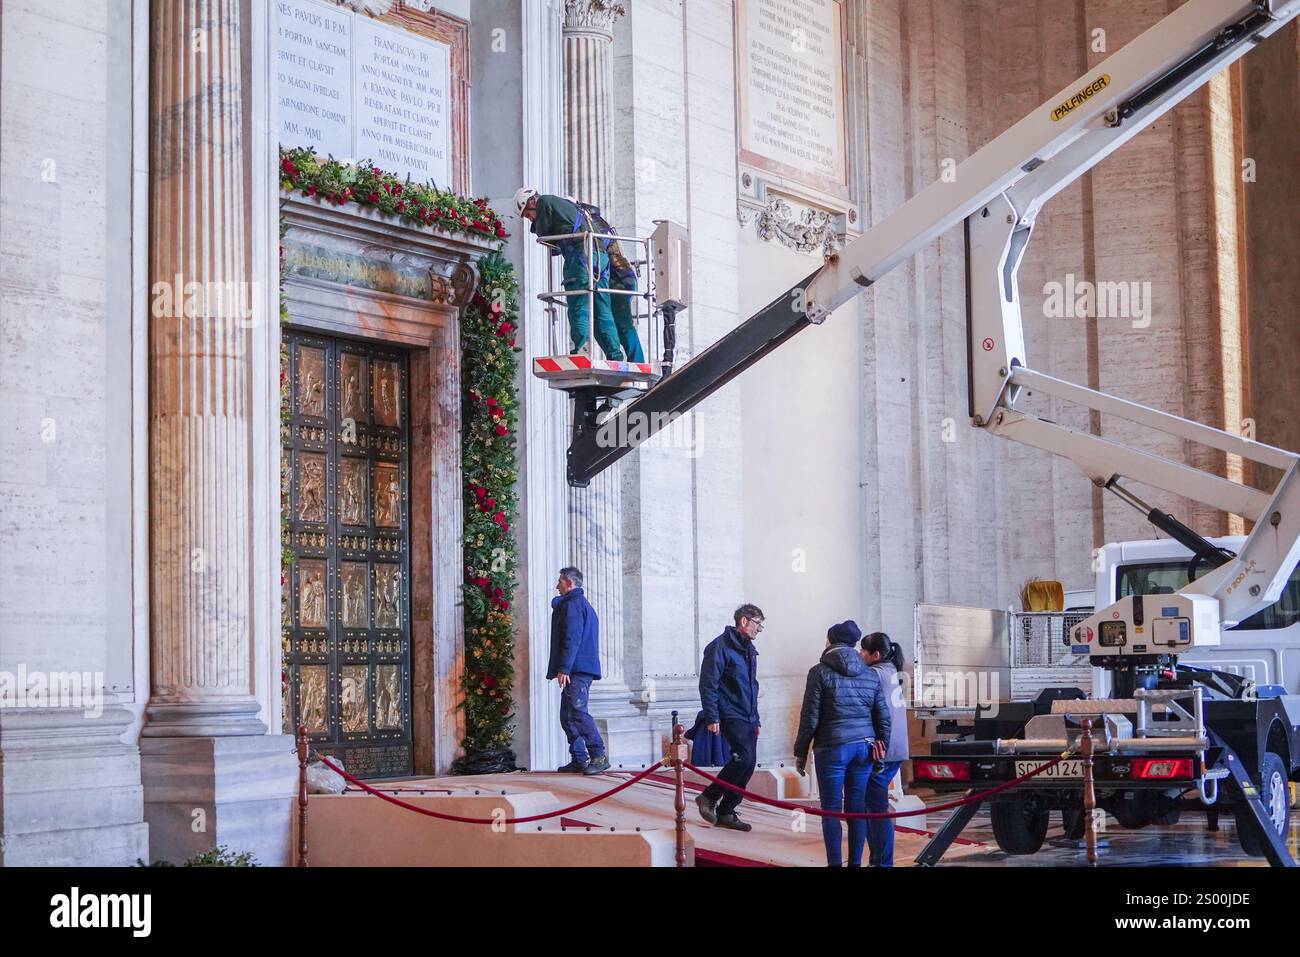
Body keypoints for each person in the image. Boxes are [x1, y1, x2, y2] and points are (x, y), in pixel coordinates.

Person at [793, 620, 892, 867]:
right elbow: (883, 716)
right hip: (864, 748)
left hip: (833, 747)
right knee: (856, 808)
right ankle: (855, 864)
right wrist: (882, 750)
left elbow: (810, 717)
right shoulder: (869, 673)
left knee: (831, 810)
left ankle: (835, 864)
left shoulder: (819, 672)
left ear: (830, 641)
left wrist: (800, 752)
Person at [515, 187, 643, 362]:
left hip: (581, 259)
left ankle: (581, 349)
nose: (529, 219)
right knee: (602, 309)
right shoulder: (583, 216)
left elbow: (542, 234)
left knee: (578, 304)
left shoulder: (544, 201)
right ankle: (615, 355)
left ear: (530, 202)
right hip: (600, 260)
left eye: (527, 215)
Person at [695, 604, 765, 832]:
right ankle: (708, 797)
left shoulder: (749, 650)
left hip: (748, 715)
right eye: (757, 623)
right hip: (729, 713)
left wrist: (756, 718)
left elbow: (752, 687)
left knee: (748, 764)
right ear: (743, 621)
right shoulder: (718, 647)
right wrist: (712, 716)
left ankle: (726, 811)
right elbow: (708, 685)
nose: (760, 629)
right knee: (742, 758)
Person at [547, 566, 609, 774]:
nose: (557, 585)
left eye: (560, 582)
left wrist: (564, 668)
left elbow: (572, 638)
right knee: (567, 715)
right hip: (576, 668)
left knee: (577, 713)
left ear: (570, 583)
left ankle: (598, 756)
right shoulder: (576, 604)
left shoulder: (573, 604)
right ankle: (579, 758)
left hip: (576, 669)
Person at [860, 631, 910, 866]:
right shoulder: (893, 672)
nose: (860, 655)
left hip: (882, 750)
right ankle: (878, 860)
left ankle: (882, 862)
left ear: (875, 654)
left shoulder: (874, 674)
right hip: (896, 749)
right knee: (873, 806)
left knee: (876, 809)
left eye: (863, 651)